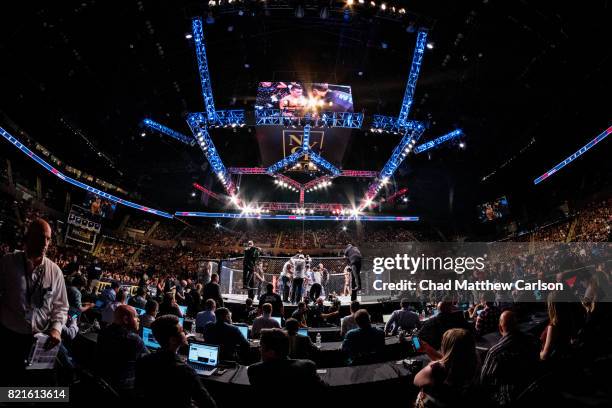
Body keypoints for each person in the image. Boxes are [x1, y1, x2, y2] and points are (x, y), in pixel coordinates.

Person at [0, 218, 69, 385]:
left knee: (33, 390)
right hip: (9, 337)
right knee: (8, 384)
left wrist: (57, 330)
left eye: (48, 238)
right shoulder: (8, 262)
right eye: (40, 237)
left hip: (40, 340)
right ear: (28, 237)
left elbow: (61, 306)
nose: (45, 243)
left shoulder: (55, 271)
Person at [135, 315, 217, 408]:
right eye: (181, 330)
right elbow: (209, 404)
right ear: (173, 340)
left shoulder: (143, 360)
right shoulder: (185, 370)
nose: (185, 332)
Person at [247, 328, 325, 404]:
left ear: (271, 352)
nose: (259, 349)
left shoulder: (254, 370)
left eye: (261, 346)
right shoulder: (307, 366)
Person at [480, 311, 541, 407]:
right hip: (532, 391)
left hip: (508, 398)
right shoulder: (533, 340)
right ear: (517, 325)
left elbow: (484, 381)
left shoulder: (495, 353)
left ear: (500, 328)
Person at [413, 329, 479, 407]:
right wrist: (428, 349)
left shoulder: (434, 369)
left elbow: (416, 381)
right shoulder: (474, 362)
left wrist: (431, 363)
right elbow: (450, 361)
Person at [95, 305, 148, 393]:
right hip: (124, 388)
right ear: (126, 319)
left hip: (104, 382)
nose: (138, 320)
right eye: (136, 317)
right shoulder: (134, 339)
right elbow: (148, 360)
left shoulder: (104, 332)